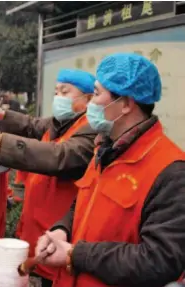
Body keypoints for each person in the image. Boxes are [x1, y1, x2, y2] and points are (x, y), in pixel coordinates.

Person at [35, 53, 185, 287]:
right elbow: (83, 201)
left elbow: (160, 260)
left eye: (96, 94)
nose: (90, 104)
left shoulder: (170, 171)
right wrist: (62, 229)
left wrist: (77, 255)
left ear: (125, 104)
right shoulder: (105, 148)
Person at [0, 69, 97, 286]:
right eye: (57, 91)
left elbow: (60, 156)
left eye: (65, 92)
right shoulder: (60, 122)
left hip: (61, 234)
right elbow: (32, 125)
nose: (58, 97)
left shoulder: (91, 130)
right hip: (38, 228)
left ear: (89, 99)